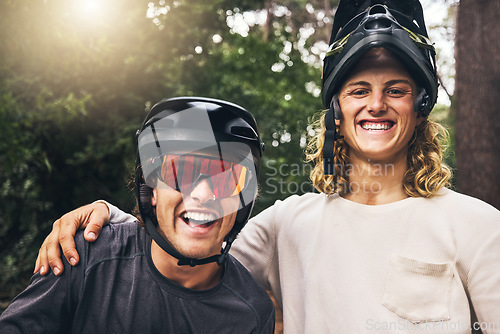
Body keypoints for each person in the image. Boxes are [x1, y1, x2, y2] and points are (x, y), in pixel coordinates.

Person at [33, 0, 500, 333]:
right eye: (359, 90)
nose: (376, 105)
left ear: (419, 107)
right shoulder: (288, 224)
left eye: (395, 90)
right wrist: (108, 220)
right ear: (336, 108)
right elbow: (193, 243)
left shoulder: (477, 226)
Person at [0, 97, 275, 333]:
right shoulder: (85, 255)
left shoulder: (251, 313)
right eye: (182, 172)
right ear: (151, 190)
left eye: (227, 179)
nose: (203, 193)